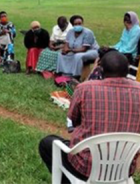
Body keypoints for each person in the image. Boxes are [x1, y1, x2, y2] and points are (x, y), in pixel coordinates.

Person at [39, 52, 140, 183]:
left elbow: (73, 122)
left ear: (101, 70)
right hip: (123, 168)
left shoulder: (85, 88)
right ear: (127, 71)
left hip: (85, 168)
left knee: (47, 143)